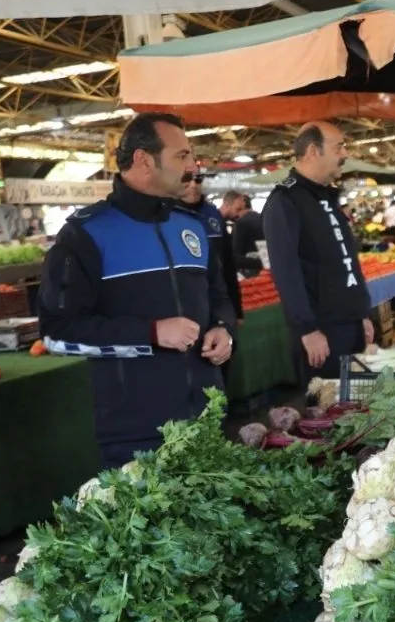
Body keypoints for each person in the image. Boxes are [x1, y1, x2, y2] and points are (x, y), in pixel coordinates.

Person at [38, 112, 236, 470]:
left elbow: (218, 295)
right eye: (182, 156)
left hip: (208, 416)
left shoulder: (191, 226)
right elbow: (57, 334)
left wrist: (224, 330)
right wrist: (152, 332)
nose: (192, 165)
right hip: (137, 433)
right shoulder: (86, 235)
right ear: (145, 159)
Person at [262, 121, 373, 383]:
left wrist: (362, 315)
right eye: (339, 147)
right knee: (328, 415)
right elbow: (285, 271)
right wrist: (307, 329)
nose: (345, 154)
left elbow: (347, 261)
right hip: (321, 335)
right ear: (313, 150)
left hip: (351, 327)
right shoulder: (285, 201)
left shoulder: (326, 198)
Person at [180, 175, 242, 333]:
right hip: (185, 312)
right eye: (187, 179)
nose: (194, 185)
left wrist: (236, 309)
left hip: (218, 306)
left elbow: (228, 265)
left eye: (198, 180)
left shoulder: (213, 215)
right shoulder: (166, 217)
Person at [222, 191, 265, 276]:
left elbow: (235, 255)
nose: (235, 215)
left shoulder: (240, 223)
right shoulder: (264, 219)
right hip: (267, 273)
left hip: (250, 275)